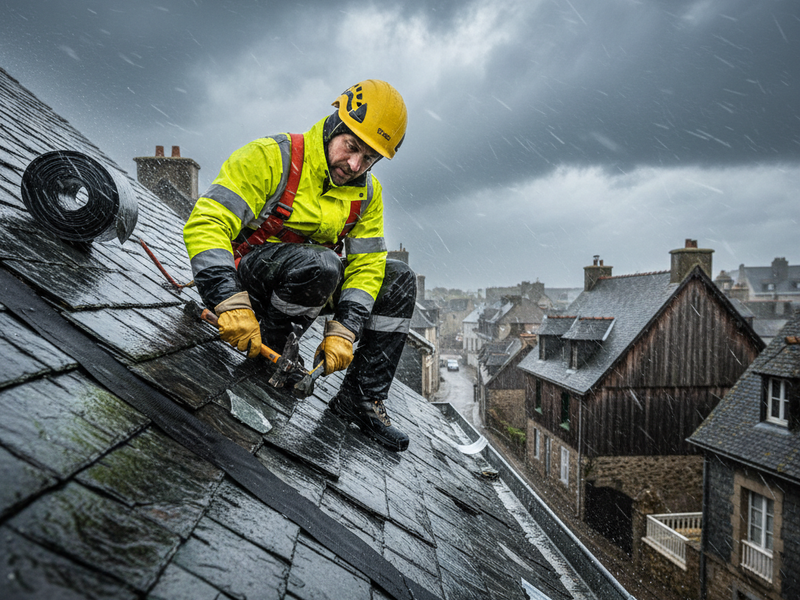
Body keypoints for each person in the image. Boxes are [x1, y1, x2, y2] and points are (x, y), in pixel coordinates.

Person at [183, 80, 415, 452]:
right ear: (333, 126)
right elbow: (206, 222)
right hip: (242, 289)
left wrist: (345, 329)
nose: (355, 165)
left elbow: (367, 268)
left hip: (304, 284)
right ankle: (270, 358)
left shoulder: (368, 194)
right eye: (351, 147)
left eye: (369, 158)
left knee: (398, 280)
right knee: (322, 263)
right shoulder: (270, 157)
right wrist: (226, 297)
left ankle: (360, 398)